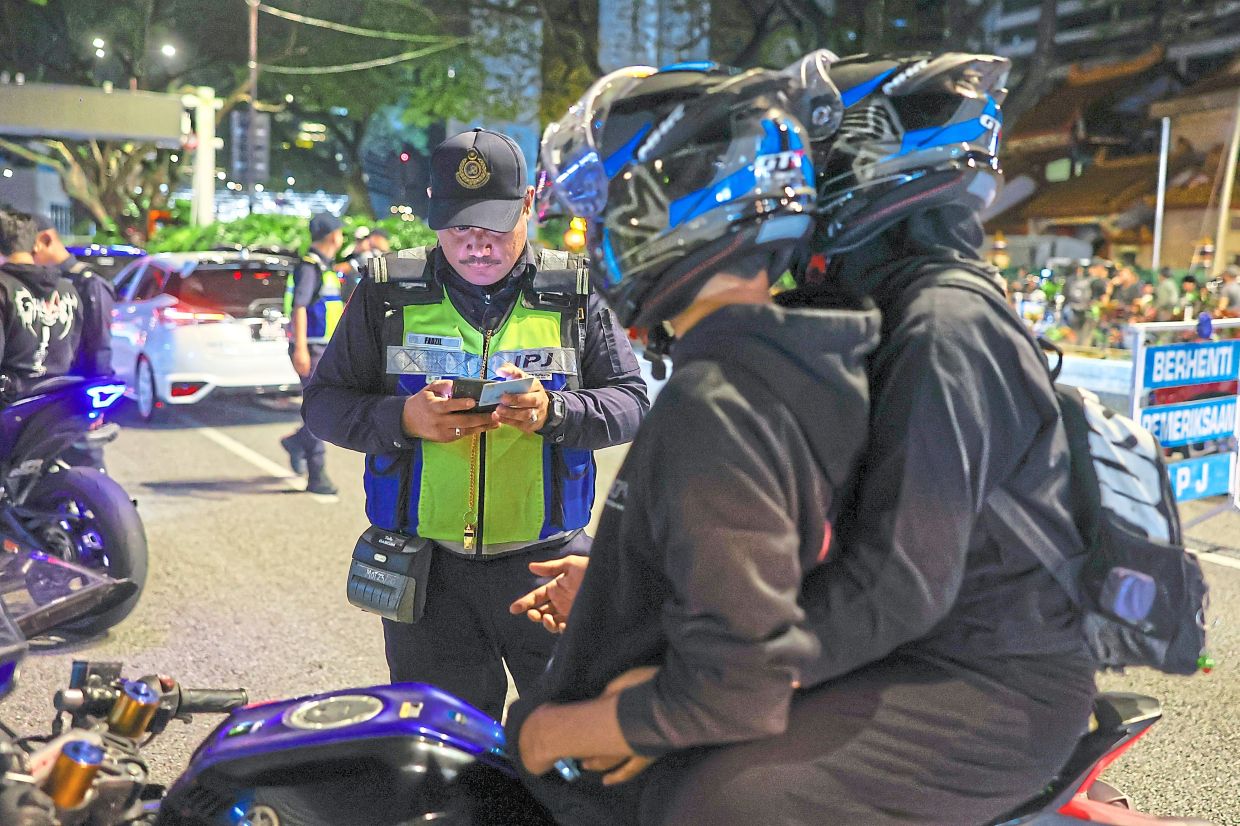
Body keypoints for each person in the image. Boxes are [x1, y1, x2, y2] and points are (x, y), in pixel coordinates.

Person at [517, 53, 1098, 825]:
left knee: (719, 806)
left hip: (985, 669)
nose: (785, 182)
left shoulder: (945, 324)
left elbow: (902, 579)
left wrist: (694, 694)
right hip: (905, 640)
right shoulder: (864, 309)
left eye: (806, 159)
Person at [503, 61, 875, 826]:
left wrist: (546, 735)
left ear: (658, 209)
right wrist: (620, 580)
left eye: (602, 212)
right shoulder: (819, 354)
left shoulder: (718, 399)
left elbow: (735, 679)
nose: (593, 236)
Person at [301, 127, 649, 721]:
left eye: (494, 226)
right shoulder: (387, 290)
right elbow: (324, 403)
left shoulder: (574, 291)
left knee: (563, 740)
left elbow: (631, 400)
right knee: (444, 752)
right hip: (427, 574)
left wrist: (555, 413)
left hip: (546, 567)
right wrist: (402, 419)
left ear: (529, 208)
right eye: (460, 226)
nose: (477, 246)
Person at [31, 215, 116, 469]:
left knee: (85, 478)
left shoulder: (87, 283)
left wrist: (94, 405)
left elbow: (100, 347)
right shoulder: (38, 285)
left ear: (45, 240)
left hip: (77, 396)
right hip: (45, 399)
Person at [281, 212, 345, 495]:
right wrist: (302, 348)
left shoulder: (323, 266)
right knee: (321, 409)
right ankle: (317, 475)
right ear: (333, 235)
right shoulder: (309, 267)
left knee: (323, 408)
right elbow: (300, 308)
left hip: (324, 347)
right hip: (312, 348)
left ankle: (297, 442)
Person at [0, 208, 82, 398]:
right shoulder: (68, 290)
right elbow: (77, 352)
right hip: (59, 403)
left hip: (12, 408)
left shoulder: (3, 287)